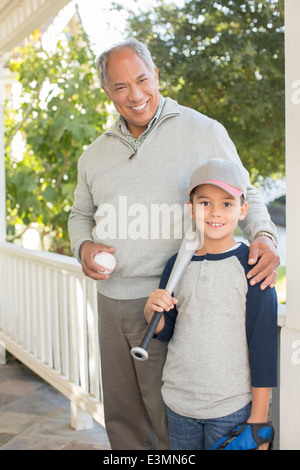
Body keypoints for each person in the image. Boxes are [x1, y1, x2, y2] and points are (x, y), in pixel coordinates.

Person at [68, 38, 280, 450]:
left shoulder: (203, 131)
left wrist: (264, 236)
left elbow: (246, 192)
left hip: (170, 298)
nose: (135, 95)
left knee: (169, 424)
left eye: (142, 80)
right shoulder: (94, 155)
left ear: (156, 76)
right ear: (107, 92)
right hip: (110, 299)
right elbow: (80, 216)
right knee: (122, 418)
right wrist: (83, 248)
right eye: (120, 87)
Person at [144, 158, 278, 450]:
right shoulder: (177, 265)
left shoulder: (253, 268)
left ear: (243, 210)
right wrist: (152, 312)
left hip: (231, 409)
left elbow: (264, 346)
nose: (216, 212)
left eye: (227, 204)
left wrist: (258, 422)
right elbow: (168, 330)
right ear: (191, 209)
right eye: (205, 203)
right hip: (180, 404)